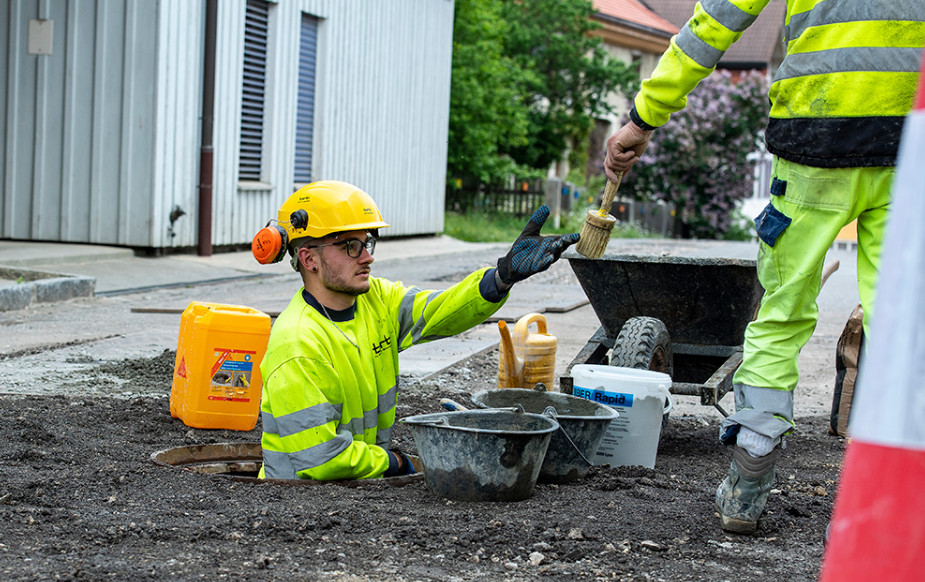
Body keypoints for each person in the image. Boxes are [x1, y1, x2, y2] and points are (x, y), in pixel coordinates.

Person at [604, 0, 923, 533]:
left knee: (782, 312)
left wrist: (643, 118)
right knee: (901, 324)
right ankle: (891, 500)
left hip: (813, 140)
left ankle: (747, 484)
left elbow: (715, 22)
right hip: (909, 140)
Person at [249, 180, 579, 481]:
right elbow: (321, 459)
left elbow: (442, 310)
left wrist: (503, 276)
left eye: (368, 242)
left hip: (355, 490)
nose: (367, 257)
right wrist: (395, 463)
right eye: (350, 246)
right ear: (309, 259)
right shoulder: (297, 343)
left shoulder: (376, 301)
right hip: (296, 506)